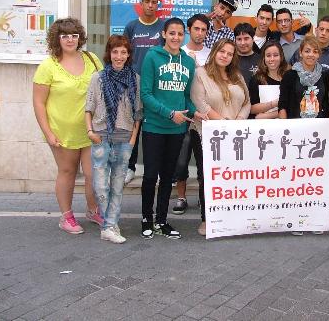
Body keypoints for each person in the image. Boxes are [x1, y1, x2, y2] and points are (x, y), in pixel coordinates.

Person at [32, 17, 104, 234]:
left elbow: (103, 88)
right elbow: (38, 102)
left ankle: (93, 210)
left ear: (80, 37)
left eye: (74, 35)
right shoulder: (49, 65)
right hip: (62, 132)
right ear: (57, 39)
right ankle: (67, 217)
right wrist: (48, 132)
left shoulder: (91, 59)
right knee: (67, 171)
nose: (70, 40)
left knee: (93, 174)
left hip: (91, 130)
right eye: (65, 36)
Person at [139, 17, 204, 239]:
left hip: (177, 131)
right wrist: (169, 113)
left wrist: (195, 112)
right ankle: (146, 218)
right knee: (150, 176)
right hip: (154, 127)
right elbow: (145, 94)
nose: (176, 37)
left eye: (179, 34)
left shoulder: (188, 62)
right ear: (164, 34)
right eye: (172, 33)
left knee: (168, 177)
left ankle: (162, 220)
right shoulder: (152, 56)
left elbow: (186, 96)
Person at [190, 38, 251, 235]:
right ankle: (207, 219)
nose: (225, 56)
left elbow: (247, 103)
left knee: (231, 177)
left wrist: (239, 121)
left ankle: (230, 217)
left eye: (229, 53)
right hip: (206, 134)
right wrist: (224, 124)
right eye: (222, 51)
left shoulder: (237, 76)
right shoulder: (201, 73)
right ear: (215, 51)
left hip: (234, 136)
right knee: (208, 177)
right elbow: (199, 102)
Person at [85, 35, 142, 243]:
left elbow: (138, 113)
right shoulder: (98, 78)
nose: (119, 56)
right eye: (115, 52)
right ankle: (110, 223)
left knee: (117, 186)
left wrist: (133, 139)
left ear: (128, 55)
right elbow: (88, 107)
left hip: (124, 137)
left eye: (123, 52)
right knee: (100, 186)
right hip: (101, 136)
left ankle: (109, 226)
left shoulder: (134, 79)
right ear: (109, 53)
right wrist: (90, 132)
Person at [278, 36, 329, 236]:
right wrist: (284, 129)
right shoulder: (291, 76)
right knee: (295, 179)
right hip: (296, 132)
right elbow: (283, 104)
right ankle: (296, 219)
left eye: (315, 51)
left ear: (319, 54)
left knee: (315, 178)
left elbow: (327, 103)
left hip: (318, 134)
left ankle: (315, 219)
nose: (311, 55)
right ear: (300, 52)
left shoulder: (324, 75)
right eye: (307, 51)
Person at [172, 14, 211, 215]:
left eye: (204, 30)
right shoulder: (180, 52)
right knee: (181, 159)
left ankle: (204, 198)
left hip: (204, 115)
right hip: (184, 112)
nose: (200, 33)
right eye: (197, 29)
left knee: (205, 159)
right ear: (189, 29)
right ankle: (181, 197)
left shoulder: (211, 54)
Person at [123, 0, 164, 184]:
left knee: (154, 129)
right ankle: (129, 167)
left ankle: (155, 170)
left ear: (158, 5)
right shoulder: (132, 27)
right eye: (147, 1)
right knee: (133, 128)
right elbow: (124, 54)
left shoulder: (163, 27)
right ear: (141, 3)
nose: (150, 5)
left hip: (156, 87)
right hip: (133, 85)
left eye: (154, 2)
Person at [248, 41, 289, 119]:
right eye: (268, 55)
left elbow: (293, 107)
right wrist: (273, 104)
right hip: (264, 128)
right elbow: (251, 109)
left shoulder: (289, 77)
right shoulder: (256, 79)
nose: (272, 59)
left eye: (276, 55)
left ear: (281, 57)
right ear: (263, 58)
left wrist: (267, 116)